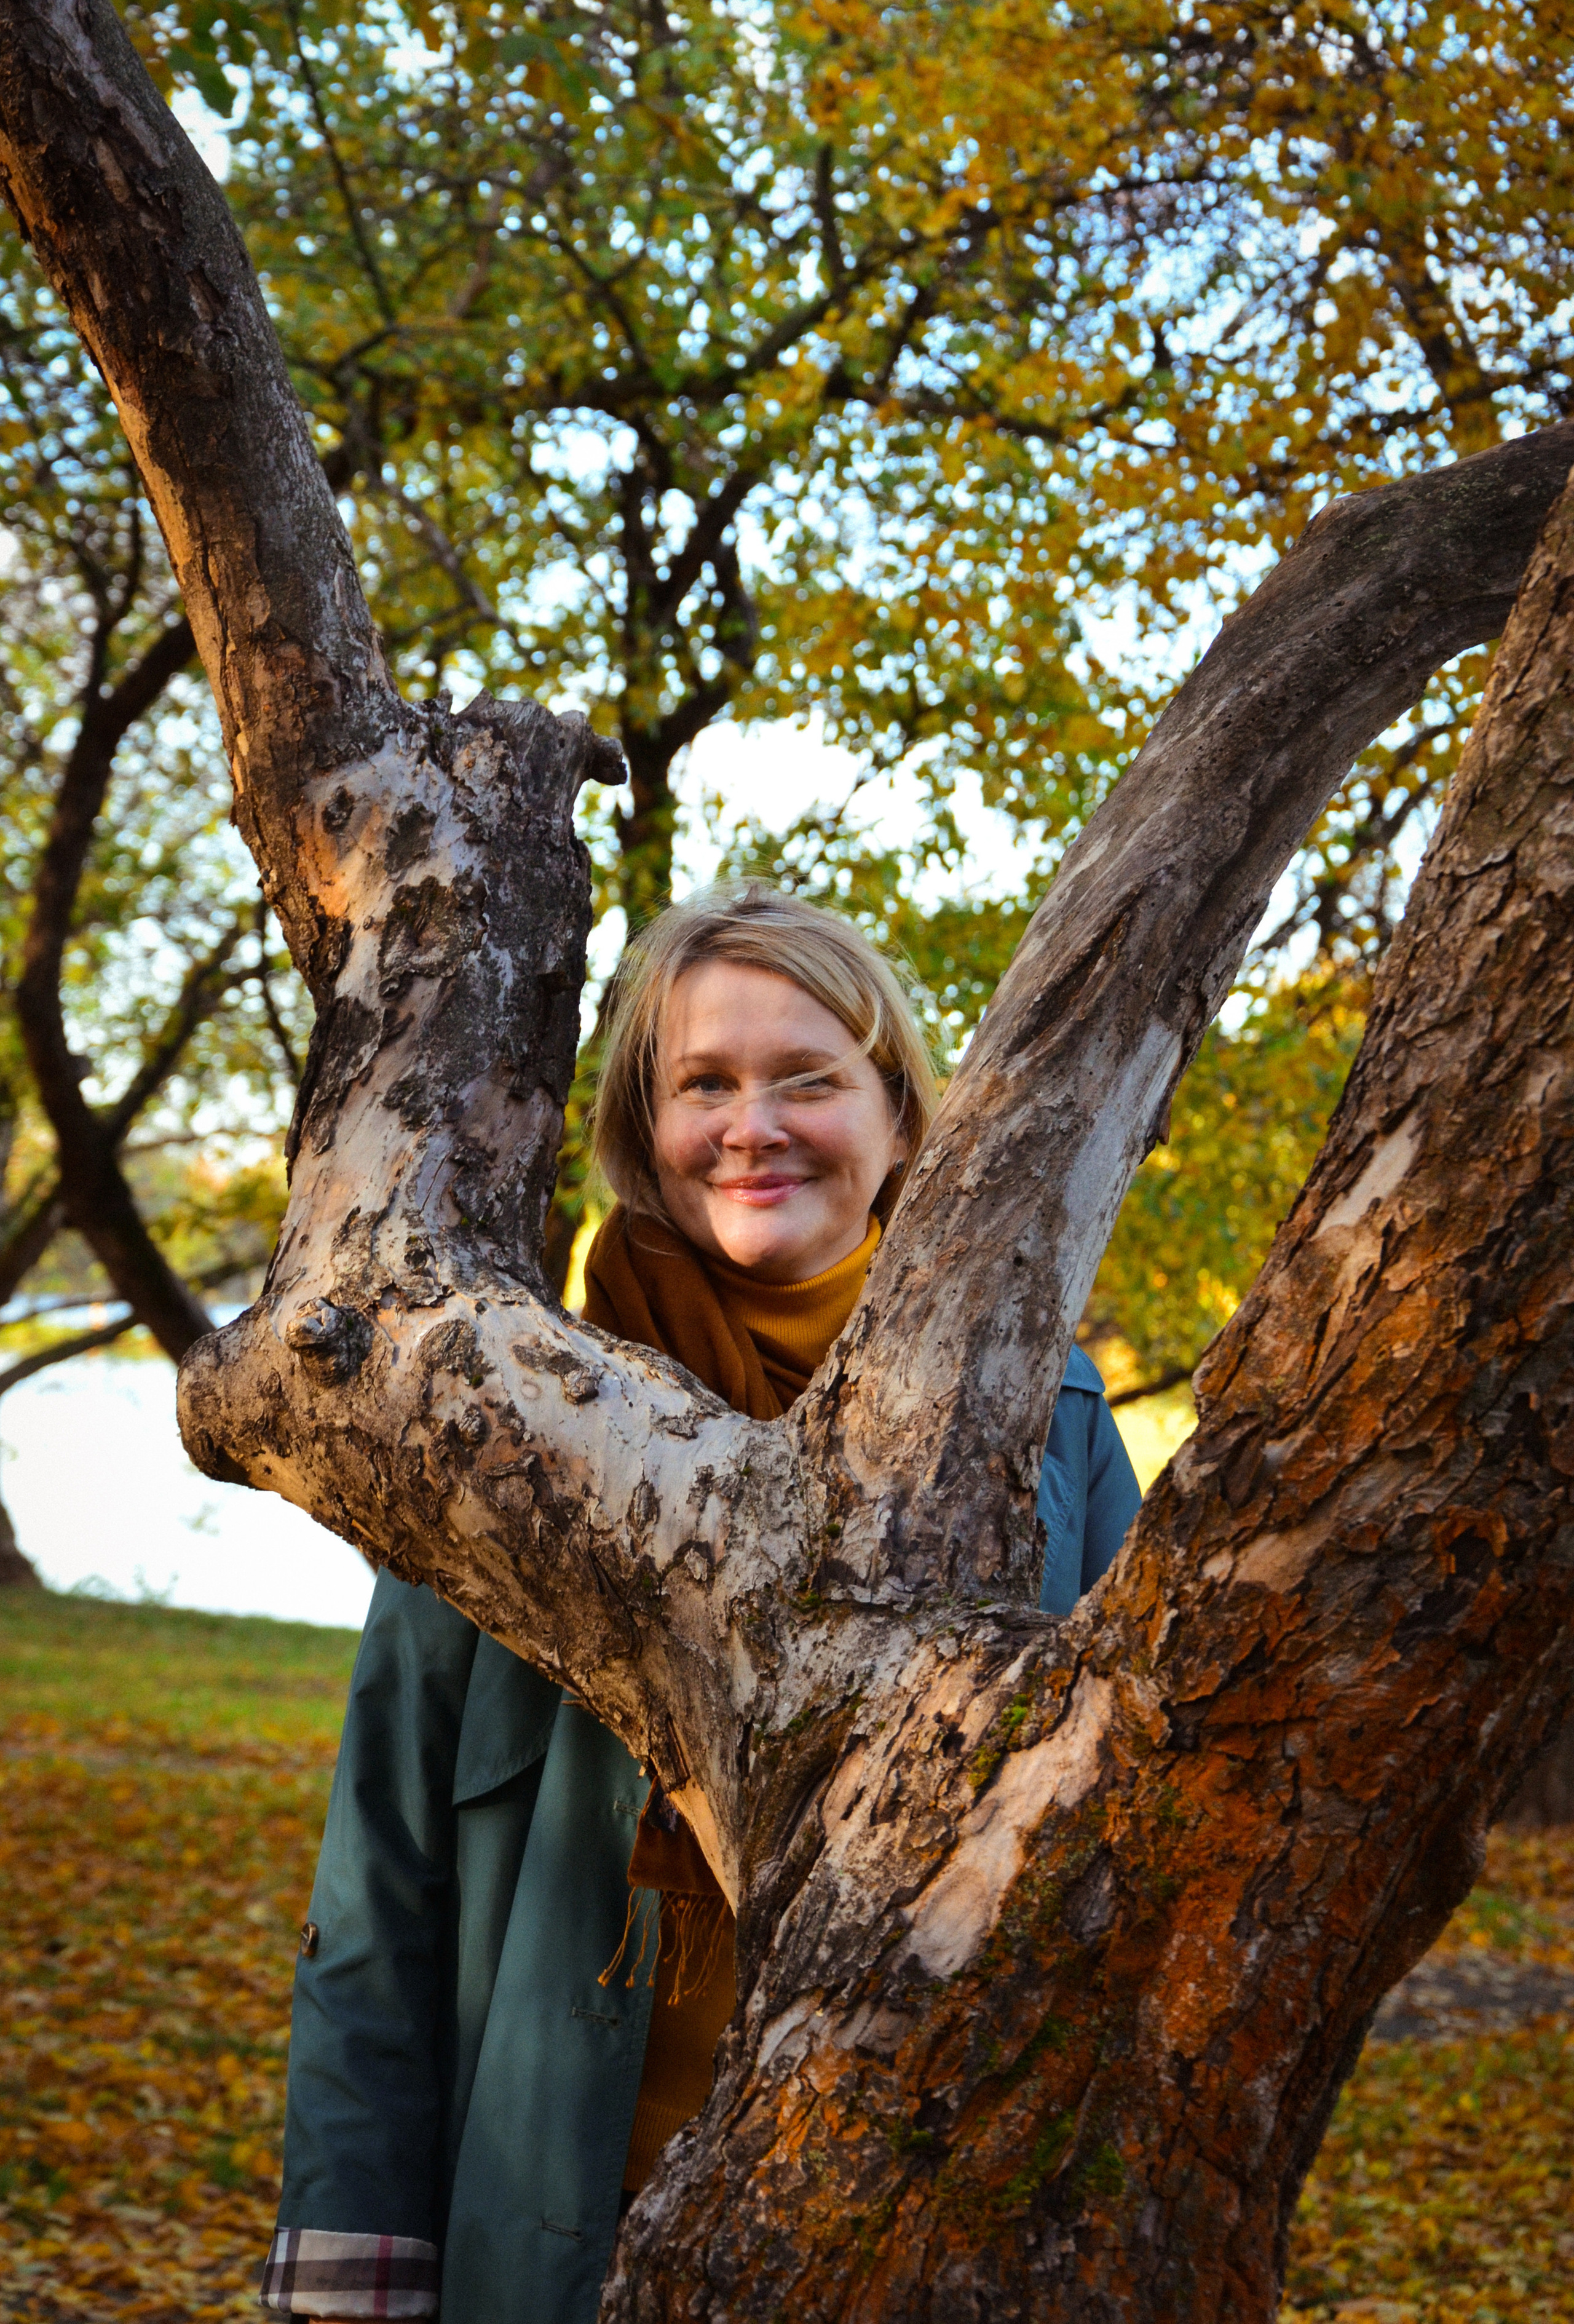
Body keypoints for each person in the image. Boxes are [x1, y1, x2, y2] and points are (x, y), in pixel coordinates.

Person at [261, 885, 1140, 2323]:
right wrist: (352, 2280)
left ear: (900, 1119)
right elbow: (379, 1888)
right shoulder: (507, 1421)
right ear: (639, 1133)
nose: (754, 1125)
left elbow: (1134, 1849)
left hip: (912, 2239)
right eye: (705, 1084)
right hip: (558, 2244)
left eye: (810, 1078)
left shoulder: (1051, 1419)